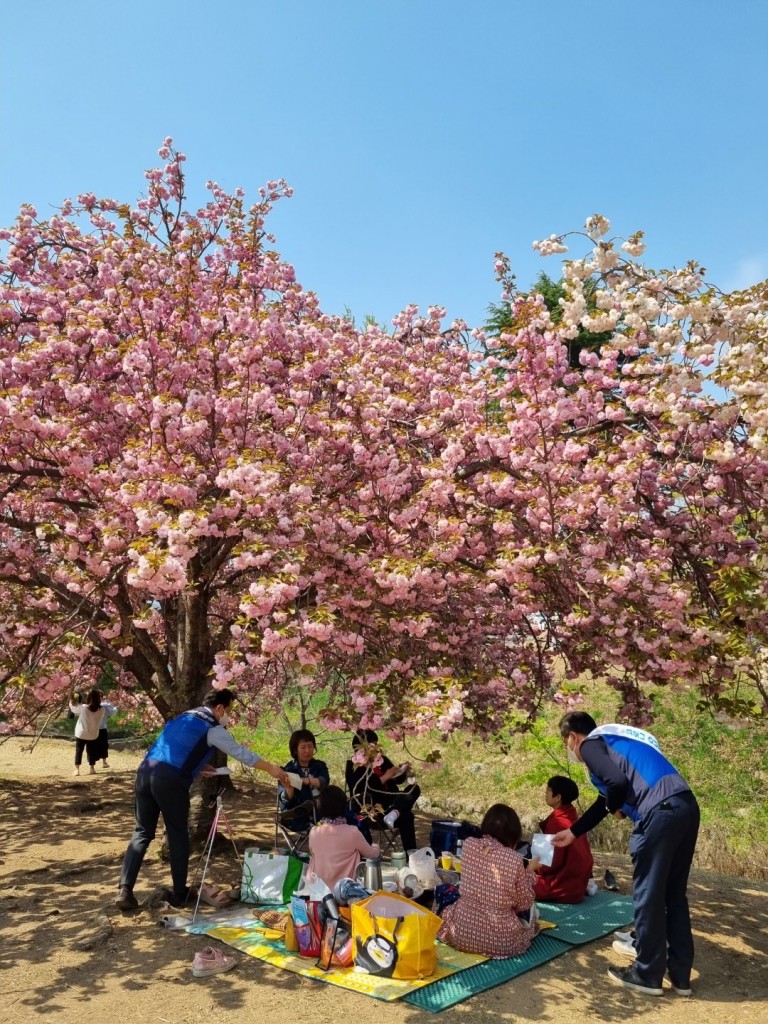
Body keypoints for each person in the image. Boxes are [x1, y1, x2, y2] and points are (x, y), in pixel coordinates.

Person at [553, 712, 700, 997]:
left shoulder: (590, 744)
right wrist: (573, 832)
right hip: (685, 807)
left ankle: (647, 974)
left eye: (566, 743)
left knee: (649, 895)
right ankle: (680, 976)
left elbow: (617, 785)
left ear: (572, 737)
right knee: (674, 896)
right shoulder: (618, 743)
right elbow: (607, 797)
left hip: (658, 814)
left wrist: (614, 806)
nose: (571, 750)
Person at [115, 688, 289, 911]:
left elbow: (174, 748)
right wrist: (272, 769)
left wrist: (198, 766)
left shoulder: (185, 717)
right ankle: (179, 894)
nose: (228, 716)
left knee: (141, 833)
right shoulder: (212, 728)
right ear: (219, 708)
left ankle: (125, 890)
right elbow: (242, 753)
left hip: (145, 773)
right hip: (170, 782)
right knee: (178, 834)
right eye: (229, 711)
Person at [437, 803, 540, 958]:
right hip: (501, 942)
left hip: (461, 932)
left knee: (446, 893)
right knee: (531, 919)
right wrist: (530, 871)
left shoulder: (469, 844)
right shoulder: (513, 859)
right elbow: (524, 903)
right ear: (513, 834)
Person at [347, 729, 421, 852]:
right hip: (371, 811)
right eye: (372, 745)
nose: (376, 748)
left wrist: (402, 770)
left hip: (392, 803)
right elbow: (360, 790)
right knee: (407, 815)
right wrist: (385, 777)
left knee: (414, 788)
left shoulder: (381, 759)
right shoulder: (354, 766)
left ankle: (411, 856)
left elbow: (396, 780)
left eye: (376, 744)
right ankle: (395, 813)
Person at [533, 775, 594, 904]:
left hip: (562, 886)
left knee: (516, 882)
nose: (545, 793)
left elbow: (550, 864)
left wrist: (533, 867)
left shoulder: (556, 822)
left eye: (549, 790)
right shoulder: (574, 818)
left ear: (558, 797)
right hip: (578, 887)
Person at [307, 785, 381, 889]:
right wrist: (376, 846)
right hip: (344, 891)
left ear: (320, 807)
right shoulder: (352, 832)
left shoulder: (314, 832)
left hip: (318, 889)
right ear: (343, 806)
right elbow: (372, 855)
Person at [278, 729, 329, 832]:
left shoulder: (320, 766)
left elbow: (324, 781)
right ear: (295, 750)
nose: (307, 751)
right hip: (298, 815)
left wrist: (308, 781)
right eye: (303, 747)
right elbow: (285, 802)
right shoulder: (288, 770)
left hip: (322, 810)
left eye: (310, 746)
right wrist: (289, 789)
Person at [69, 689, 104, 776]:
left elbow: (73, 709)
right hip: (93, 734)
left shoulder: (84, 707)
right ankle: (92, 768)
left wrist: (70, 701)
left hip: (81, 733)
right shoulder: (102, 709)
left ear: (89, 698)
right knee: (91, 751)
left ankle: (77, 770)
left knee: (79, 750)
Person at [94, 693, 118, 769]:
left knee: (93, 745)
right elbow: (113, 712)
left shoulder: (89, 705)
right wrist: (116, 706)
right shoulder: (104, 705)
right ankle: (104, 762)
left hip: (92, 728)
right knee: (103, 745)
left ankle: (92, 764)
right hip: (102, 728)